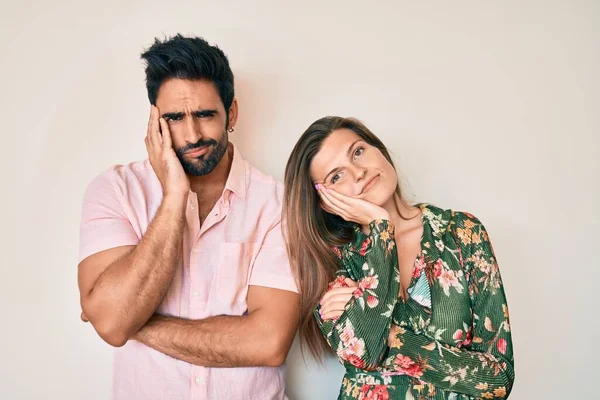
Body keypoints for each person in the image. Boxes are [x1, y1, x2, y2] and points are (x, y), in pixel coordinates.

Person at [77, 34, 299, 399]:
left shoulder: (278, 204)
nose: (193, 134)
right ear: (154, 122)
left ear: (232, 114)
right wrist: (174, 198)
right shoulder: (114, 190)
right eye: (175, 118)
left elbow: (268, 342)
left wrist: (136, 323)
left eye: (205, 114)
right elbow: (112, 322)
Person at [283, 116, 514, 399]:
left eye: (358, 152)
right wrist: (381, 227)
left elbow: (497, 379)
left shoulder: (461, 232)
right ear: (324, 200)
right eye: (336, 176)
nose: (358, 172)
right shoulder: (327, 260)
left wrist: (393, 337)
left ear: (378, 149)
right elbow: (364, 354)